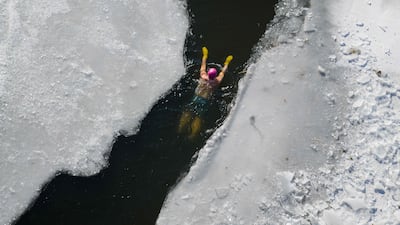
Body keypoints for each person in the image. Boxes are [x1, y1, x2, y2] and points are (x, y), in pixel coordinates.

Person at [178, 47, 233, 139]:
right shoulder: (217, 81)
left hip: (196, 97)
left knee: (187, 112)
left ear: (208, 73)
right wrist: (227, 63)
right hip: (205, 101)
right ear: (215, 76)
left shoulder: (203, 76)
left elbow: (203, 65)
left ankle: (180, 129)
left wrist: (205, 55)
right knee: (199, 116)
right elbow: (223, 72)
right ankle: (192, 135)